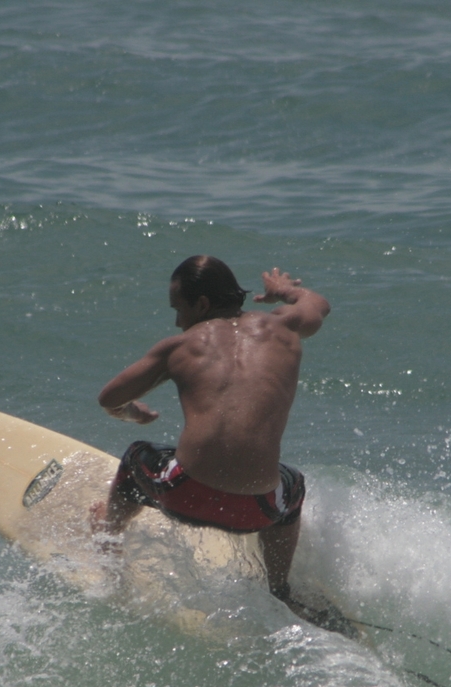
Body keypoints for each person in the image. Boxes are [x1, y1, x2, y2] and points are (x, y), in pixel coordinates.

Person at [93, 255, 329, 601]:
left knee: (135, 456)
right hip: (258, 510)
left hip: (183, 495)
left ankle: (108, 535)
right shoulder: (284, 328)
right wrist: (284, 291)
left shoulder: (180, 348)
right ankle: (279, 588)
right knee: (293, 487)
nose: (177, 321)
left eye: (179, 309)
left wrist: (133, 413)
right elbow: (318, 305)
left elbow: (109, 399)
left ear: (202, 304)